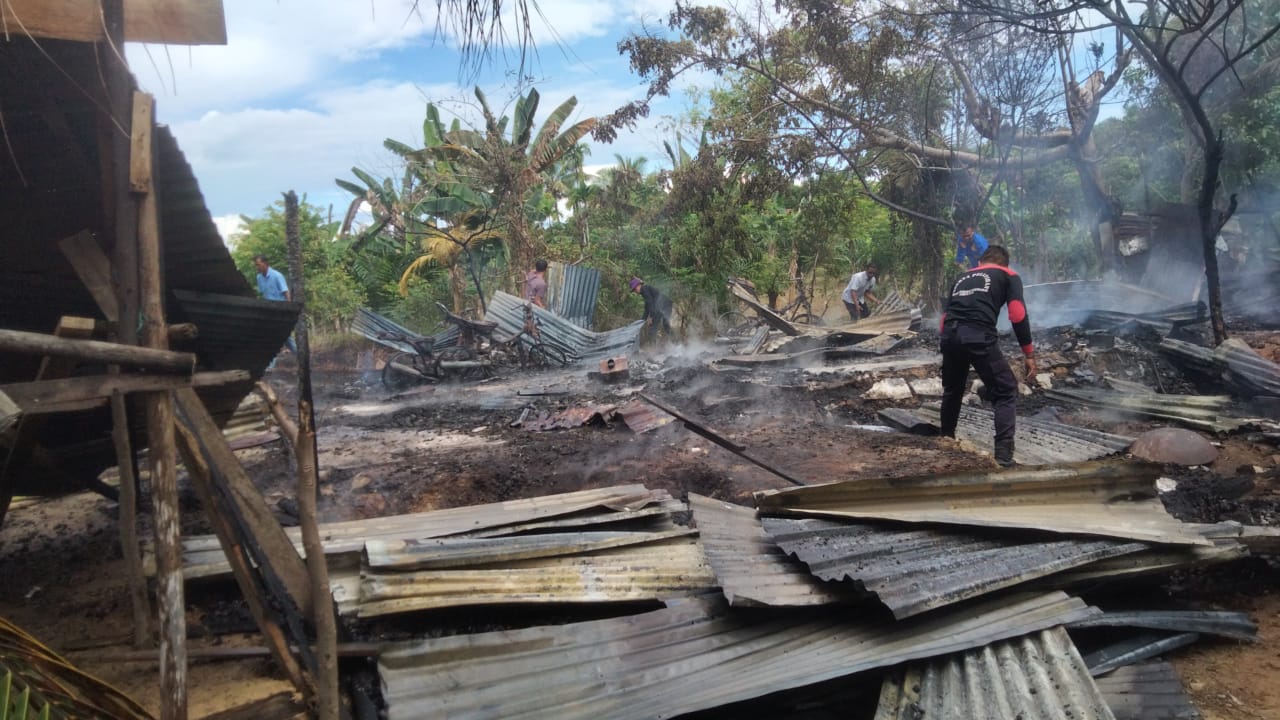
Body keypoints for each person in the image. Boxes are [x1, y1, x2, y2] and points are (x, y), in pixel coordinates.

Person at [938, 245, 1036, 467]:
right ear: (1004, 263)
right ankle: (1003, 456)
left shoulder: (961, 277)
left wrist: (949, 342)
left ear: (981, 262)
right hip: (978, 335)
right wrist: (1028, 352)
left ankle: (946, 440)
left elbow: (944, 319)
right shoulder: (1009, 275)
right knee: (1006, 390)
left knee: (953, 390)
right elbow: (1017, 313)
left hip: (949, 336)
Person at [253, 255, 297, 357]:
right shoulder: (259, 278)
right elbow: (263, 294)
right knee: (279, 337)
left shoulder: (277, 276)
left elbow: (286, 292)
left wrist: (290, 310)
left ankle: (302, 357)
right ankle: (302, 357)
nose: (257, 267)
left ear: (265, 263)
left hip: (281, 311)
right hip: (269, 312)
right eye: (256, 265)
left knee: (279, 337)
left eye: (258, 265)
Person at [630, 277, 672, 344]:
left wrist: (651, 317)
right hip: (664, 305)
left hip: (664, 305)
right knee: (665, 324)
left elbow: (650, 303)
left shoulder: (644, 289)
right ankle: (673, 343)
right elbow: (647, 307)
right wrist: (642, 321)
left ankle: (655, 347)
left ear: (639, 285)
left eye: (635, 289)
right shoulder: (645, 290)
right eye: (634, 290)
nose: (635, 291)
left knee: (654, 327)